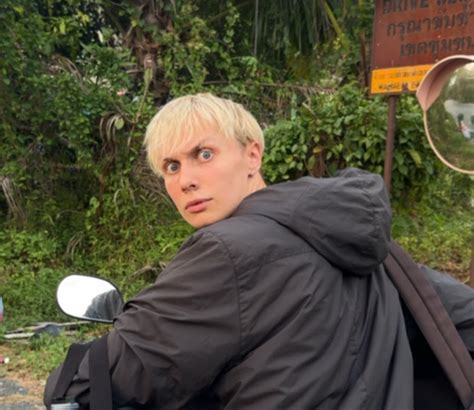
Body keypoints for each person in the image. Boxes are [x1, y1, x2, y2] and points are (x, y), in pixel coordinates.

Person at [45, 93, 413, 408]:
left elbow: (86, 384)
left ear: (253, 155)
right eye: (171, 166)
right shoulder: (353, 237)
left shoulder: (227, 251)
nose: (185, 180)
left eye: (204, 154)